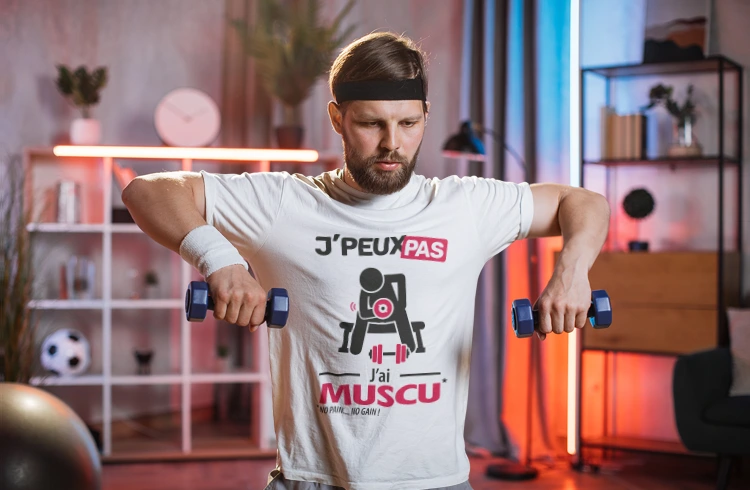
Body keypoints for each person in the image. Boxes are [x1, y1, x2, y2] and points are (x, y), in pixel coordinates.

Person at [122, 31, 610, 490]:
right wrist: (221, 261)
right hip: (312, 477)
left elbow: (584, 203)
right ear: (338, 119)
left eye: (408, 123)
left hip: (434, 480)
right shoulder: (282, 204)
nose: (392, 143)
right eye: (372, 123)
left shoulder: (465, 206)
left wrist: (572, 273)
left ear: (425, 115)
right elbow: (147, 190)